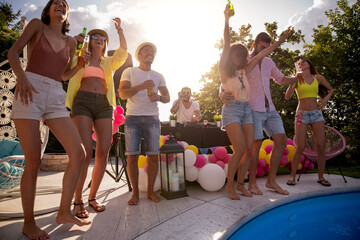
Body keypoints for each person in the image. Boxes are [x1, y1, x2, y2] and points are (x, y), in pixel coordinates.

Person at [7, 0, 90, 239]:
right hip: (29, 88)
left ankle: (64, 211)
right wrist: (21, 77)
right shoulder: (36, 26)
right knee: (34, 160)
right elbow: (12, 53)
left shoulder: (72, 42)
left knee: (80, 153)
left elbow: (62, 74)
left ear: (67, 13)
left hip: (55, 93)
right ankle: (29, 223)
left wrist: (77, 68)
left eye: (64, 4)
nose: (60, 6)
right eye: (55, 3)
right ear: (48, 10)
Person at [219, 5, 292, 200]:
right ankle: (230, 186)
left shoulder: (246, 68)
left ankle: (242, 184)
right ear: (230, 55)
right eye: (236, 53)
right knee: (241, 149)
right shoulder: (225, 70)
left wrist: (280, 41)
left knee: (250, 150)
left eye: (242, 55)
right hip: (232, 110)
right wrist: (226, 19)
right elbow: (227, 42)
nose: (239, 56)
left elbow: (262, 54)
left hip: (247, 111)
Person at [65, 19, 128, 218]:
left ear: (105, 43)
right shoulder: (79, 57)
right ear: (90, 41)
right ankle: (78, 200)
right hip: (82, 102)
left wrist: (119, 30)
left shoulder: (109, 62)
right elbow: (65, 71)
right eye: (95, 36)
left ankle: (92, 198)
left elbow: (123, 51)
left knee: (103, 151)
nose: (99, 39)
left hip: (104, 105)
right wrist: (74, 49)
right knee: (83, 153)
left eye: (103, 37)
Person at [119, 42, 170, 205]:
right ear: (139, 56)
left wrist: (159, 97)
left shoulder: (158, 75)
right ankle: (135, 193)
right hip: (133, 118)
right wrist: (141, 86)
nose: (150, 53)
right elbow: (122, 93)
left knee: (153, 156)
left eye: (152, 51)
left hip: (152, 119)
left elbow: (167, 97)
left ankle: (150, 192)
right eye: (146, 51)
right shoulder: (129, 71)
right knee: (132, 157)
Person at [285, 58, 333, 187]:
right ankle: (292, 176)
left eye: (304, 61)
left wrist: (324, 100)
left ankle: (321, 177)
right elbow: (287, 97)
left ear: (309, 64)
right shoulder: (297, 79)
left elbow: (331, 90)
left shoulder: (318, 78)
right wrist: (291, 83)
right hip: (302, 114)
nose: (301, 63)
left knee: (320, 146)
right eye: (299, 62)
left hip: (317, 114)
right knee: (299, 147)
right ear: (299, 67)